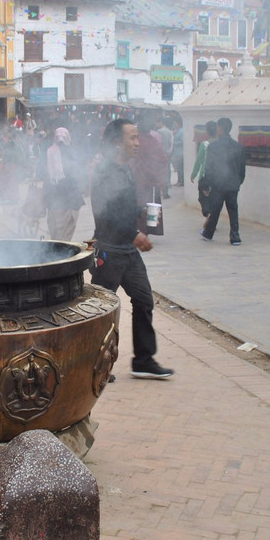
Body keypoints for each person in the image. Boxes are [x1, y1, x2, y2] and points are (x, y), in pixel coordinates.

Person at [90, 119, 174, 380]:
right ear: (117, 142)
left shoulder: (124, 169)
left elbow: (122, 209)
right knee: (102, 309)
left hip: (126, 249)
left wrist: (141, 213)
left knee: (144, 300)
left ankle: (144, 360)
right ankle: (94, 364)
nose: (138, 143)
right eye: (133, 138)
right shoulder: (105, 172)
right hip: (109, 250)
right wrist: (135, 233)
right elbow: (106, 214)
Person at [192, 117, 246, 245]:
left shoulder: (213, 147)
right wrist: (238, 181)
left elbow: (210, 167)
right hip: (233, 184)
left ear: (220, 128)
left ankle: (208, 233)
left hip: (218, 183)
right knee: (233, 210)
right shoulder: (238, 146)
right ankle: (235, 236)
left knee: (215, 209)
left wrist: (206, 184)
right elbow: (242, 168)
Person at [44, 127, 84, 241]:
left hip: (56, 201)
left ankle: (57, 255)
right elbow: (79, 175)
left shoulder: (49, 152)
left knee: (56, 235)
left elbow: (42, 174)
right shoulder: (73, 152)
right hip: (71, 201)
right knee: (66, 237)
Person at [155, 116, 174, 198]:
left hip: (160, 155)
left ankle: (161, 191)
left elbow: (157, 143)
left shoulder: (159, 131)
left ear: (161, 122)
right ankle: (166, 190)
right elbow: (171, 143)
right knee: (167, 172)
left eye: (157, 122)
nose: (156, 124)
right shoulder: (170, 131)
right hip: (168, 154)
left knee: (160, 173)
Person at [170, 118, 184, 188]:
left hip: (180, 152)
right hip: (177, 152)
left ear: (178, 124)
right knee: (178, 168)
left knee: (180, 168)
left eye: (175, 123)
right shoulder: (177, 131)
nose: (174, 124)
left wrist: (174, 143)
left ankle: (181, 181)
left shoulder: (181, 131)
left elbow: (182, 141)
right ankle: (179, 181)